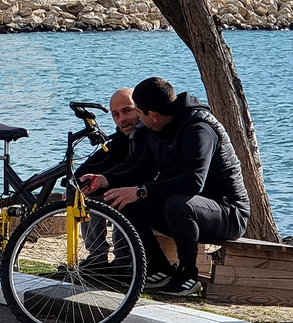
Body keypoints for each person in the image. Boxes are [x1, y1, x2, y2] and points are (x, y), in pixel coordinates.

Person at [82, 77, 250, 297]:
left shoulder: (198, 128)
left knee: (176, 203)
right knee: (123, 200)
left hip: (227, 213)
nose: (138, 120)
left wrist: (142, 190)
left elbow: (193, 182)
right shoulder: (158, 128)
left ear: (152, 115)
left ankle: (188, 274)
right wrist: (106, 180)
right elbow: (141, 168)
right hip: (188, 207)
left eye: (138, 113)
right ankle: (158, 269)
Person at [73, 87, 146, 269]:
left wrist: (107, 179)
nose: (122, 119)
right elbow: (101, 160)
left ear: (140, 109)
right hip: (135, 188)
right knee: (90, 195)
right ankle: (97, 256)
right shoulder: (123, 137)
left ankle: (123, 259)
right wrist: (75, 181)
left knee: (118, 198)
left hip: (149, 193)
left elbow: (137, 169)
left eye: (127, 111)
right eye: (116, 114)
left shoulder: (148, 134)